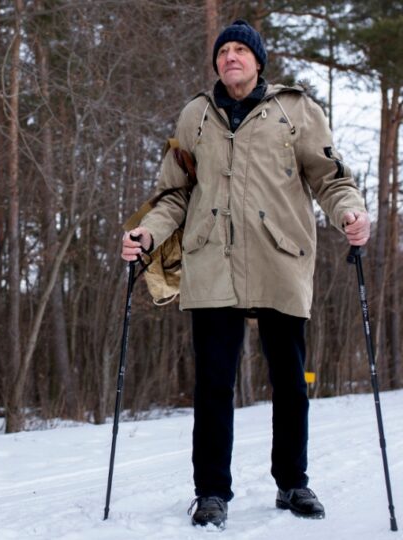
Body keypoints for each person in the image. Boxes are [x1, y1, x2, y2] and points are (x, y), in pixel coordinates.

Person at [121, 19, 370, 530]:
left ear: (259, 61)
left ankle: (293, 483)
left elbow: (329, 177)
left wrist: (350, 212)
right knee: (213, 382)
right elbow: (174, 193)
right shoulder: (196, 115)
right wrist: (146, 232)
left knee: (290, 379)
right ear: (216, 62)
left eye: (241, 50)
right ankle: (211, 491)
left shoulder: (295, 110)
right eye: (224, 51)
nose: (230, 57)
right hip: (211, 260)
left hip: (281, 257)